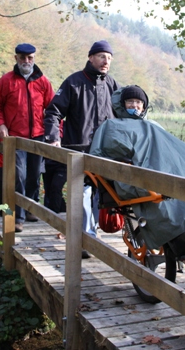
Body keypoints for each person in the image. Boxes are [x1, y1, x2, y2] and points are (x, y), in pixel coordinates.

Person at [89, 85, 185, 257]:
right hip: (135, 177)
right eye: (130, 101)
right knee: (161, 196)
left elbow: (166, 149)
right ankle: (182, 235)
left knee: (181, 183)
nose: (135, 105)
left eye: (139, 102)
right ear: (122, 105)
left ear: (144, 106)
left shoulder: (153, 125)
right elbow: (103, 153)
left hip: (160, 175)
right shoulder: (112, 125)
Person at [44, 40, 120, 258]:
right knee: (84, 194)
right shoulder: (74, 82)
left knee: (100, 196)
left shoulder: (113, 85)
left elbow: (123, 116)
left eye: (109, 58)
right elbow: (53, 112)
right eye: (102, 56)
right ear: (91, 57)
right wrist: (53, 138)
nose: (106, 61)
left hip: (106, 151)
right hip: (79, 150)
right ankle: (86, 240)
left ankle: (90, 234)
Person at [0, 43, 55, 233]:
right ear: (16, 58)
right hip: (14, 138)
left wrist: (53, 132)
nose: (27, 61)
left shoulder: (42, 81)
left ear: (34, 58)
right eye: (23, 57)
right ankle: (17, 216)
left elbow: (52, 109)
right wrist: (0, 124)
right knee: (19, 175)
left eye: (30, 58)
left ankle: (31, 208)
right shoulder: (6, 80)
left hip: (38, 137)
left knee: (34, 176)